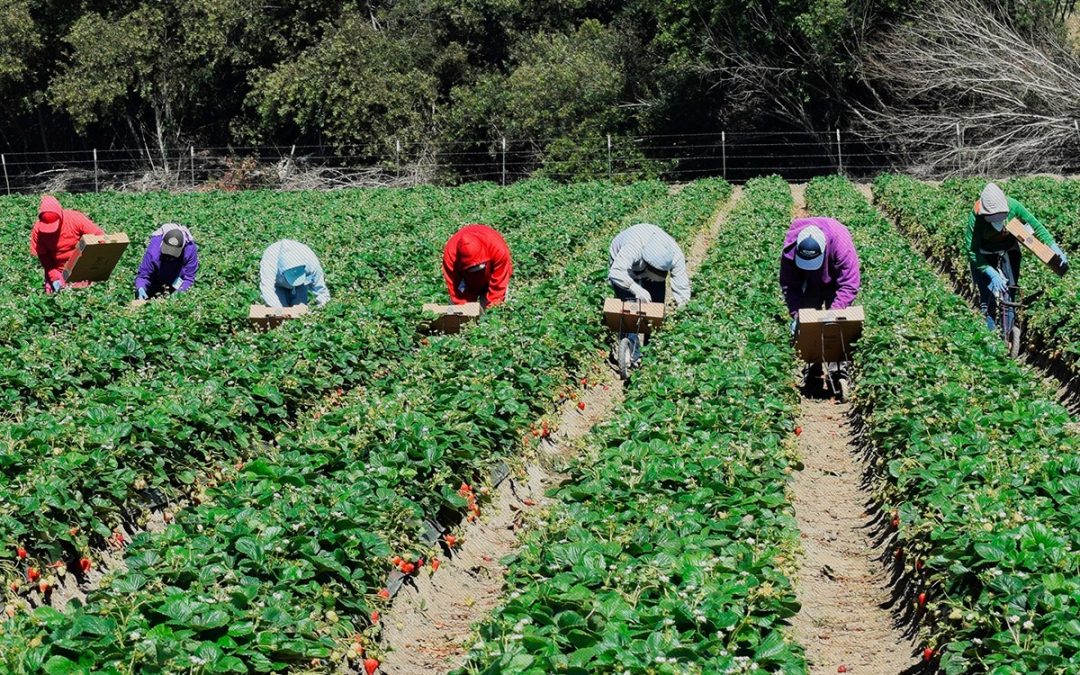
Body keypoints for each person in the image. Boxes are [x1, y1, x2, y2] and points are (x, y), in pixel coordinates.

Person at [966, 182, 1069, 332]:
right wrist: (991, 273)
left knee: (1009, 293)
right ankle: (989, 334)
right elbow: (972, 250)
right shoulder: (976, 216)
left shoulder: (1014, 206)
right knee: (986, 297)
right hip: (984, 254)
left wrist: (1053, 246)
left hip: (1008, 249)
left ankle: (1007, 333)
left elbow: (1036, 227)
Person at [607, 223, 690, 367]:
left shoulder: (675, 255)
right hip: (622, 265)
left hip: (644, 263)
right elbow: (616, 272)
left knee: (656, 308)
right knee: (629, 308)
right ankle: (630, 352)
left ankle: (651, 350)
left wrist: (683, 311)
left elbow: (682, 288)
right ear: (647, 264)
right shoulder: (633, 248)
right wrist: (634, 287)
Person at [779, 217, 861, 330]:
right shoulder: (790, 250)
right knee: (807, 321)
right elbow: (789, 284)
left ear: (824, 249)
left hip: (833, 278)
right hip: (809, 281)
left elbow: (849, 284)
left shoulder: (842, 247)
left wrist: (834, 314)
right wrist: (797, 315)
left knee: (835, 324)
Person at [29, 195, 105, 293]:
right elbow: (43, 255)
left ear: (61, 217)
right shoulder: (37, 230)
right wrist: (52, 273)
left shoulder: (75, 219)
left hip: (80, 266)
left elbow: (99, 237)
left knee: (81, 294)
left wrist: (92, 266)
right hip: (57, 270)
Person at [442, 224, 512, 308]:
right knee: (459, 310)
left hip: (491, 277)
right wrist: (464, 310)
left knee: (495, 306)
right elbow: (456, 290)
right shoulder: (451, 255)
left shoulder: (498, 249)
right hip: (466, 282)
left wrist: (493, 309)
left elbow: (499, 286)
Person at [134, 224, 199, 299]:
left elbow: (188, 278)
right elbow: (143, 275)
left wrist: (179, 294)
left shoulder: (189, 250)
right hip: (155, 281)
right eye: (166, 254)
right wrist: (141, 287)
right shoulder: (153, 250)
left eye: (172, 256)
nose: (169, 258)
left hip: (176, 281)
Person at [259, 239, 330, 308]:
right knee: (281, 308)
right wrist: (279, 311)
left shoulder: (311, 261)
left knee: (299, 311)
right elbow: (267, 288)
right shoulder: (270, 260)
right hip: (278, 284)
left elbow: (321, 289)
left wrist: (322, 307)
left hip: (301, 285)